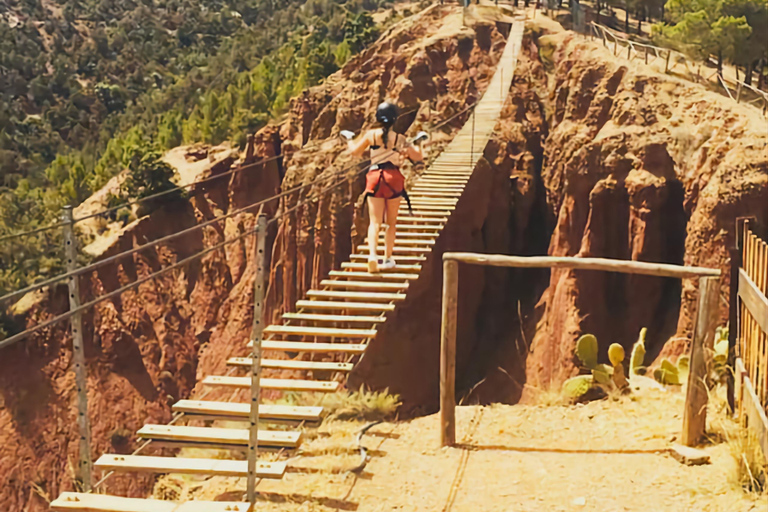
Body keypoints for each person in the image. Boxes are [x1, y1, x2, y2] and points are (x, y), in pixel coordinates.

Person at [346, 101, 425, 273]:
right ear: (394, 119)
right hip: (394, 178)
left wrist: (350, 139)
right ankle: (388, 258)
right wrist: (419, 143)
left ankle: (372, 256)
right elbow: (418, 156)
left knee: (375, 222)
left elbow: (354, 152)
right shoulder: (400, 139)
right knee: (391, 223)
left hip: (375, 178)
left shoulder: (371, 135)